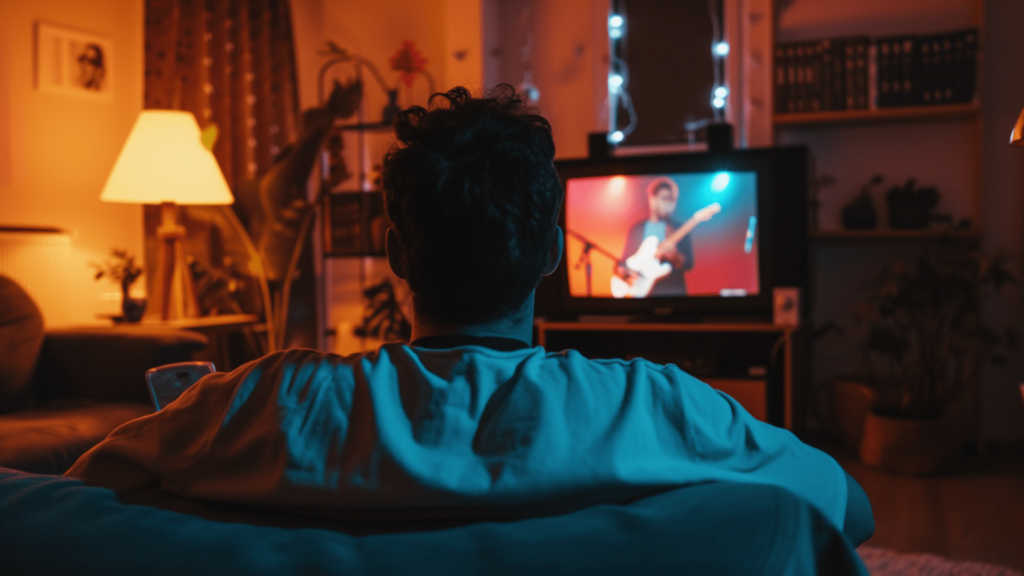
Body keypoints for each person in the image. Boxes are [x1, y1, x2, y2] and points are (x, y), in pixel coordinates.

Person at [65, 85, 872, 546]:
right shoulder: (660, 404)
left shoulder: (250, 404)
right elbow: (848, 509)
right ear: (554, 253)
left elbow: (84, 492)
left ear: (397, 254)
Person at [616, 177, 698, 297]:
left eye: (672, 199)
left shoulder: (680, 228)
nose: (669, 203)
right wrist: (624, 271)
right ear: (652, 200)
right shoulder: (637, 229)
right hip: (642, 296)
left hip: (673, 295)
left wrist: (675, 256)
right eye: (665, 198)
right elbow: (624, 261)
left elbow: (689, 263)